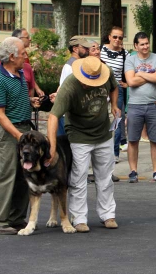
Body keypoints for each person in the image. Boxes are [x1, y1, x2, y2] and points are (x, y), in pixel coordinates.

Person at [46, 56, 120, 231]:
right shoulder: (69, 86)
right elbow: (53, 116)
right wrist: (52, 145)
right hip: (79, 135)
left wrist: (114, 105)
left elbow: (115, 87)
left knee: (105, 177)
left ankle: (108, 215)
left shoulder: (106, 73)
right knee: (79, 178)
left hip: (103, 133)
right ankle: (79, 218)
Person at [0, 37, 41, 235]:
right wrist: (19, 136)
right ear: (12, 56)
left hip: (22, 130)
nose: (26, 56)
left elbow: (14, 100)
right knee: (6, 175)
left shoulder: (17, 74)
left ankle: (16, 218)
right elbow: (0, 114)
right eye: (23, 53)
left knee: (22, 176)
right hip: (8, 133)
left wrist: (30, 101)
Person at [124, 32, 156, 183]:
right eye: (142, 44)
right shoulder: (130, 60)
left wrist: (140, 73)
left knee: (155, 140)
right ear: (136, 46)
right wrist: (150, 74)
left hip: (154, 105)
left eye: (147, 43)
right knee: (133, 140)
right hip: (135, 105)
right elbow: (131, 82)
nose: (145, 46)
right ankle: (133, 171)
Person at [101, 27, 129, 163]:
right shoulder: (100, 50)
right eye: (115, 37)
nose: (117, 40)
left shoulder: (125, 54)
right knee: (100, 118)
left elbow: (132, 69)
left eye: (120, 37)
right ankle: (100, 151)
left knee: (117, 120)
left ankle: (115, 153)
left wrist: (128, 83)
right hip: (100, 87)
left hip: (117, 87)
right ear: (109, 37)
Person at [11, 28, 45, 98]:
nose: (30, 39)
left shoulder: (24, 54)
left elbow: (28, 76)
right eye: (27, 37)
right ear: (19, 39)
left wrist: (37, 89)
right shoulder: (8, 57)